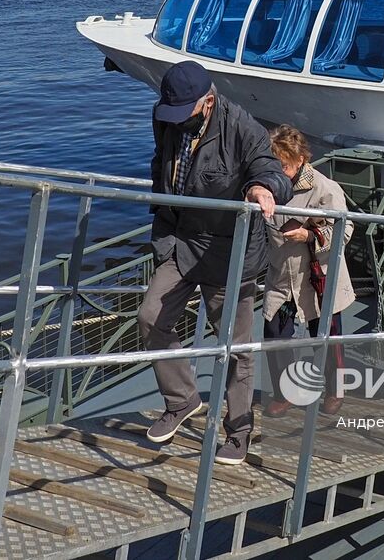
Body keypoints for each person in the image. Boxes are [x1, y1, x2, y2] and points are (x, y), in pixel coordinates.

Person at [136, 60, 292, 465]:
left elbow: (271, 170)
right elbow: (162, 165)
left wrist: (262, 188)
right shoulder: (167, 116)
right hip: (181, 241)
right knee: (151, 318)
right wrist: (162, 223)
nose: (175, 122)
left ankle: (239, 430)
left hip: (229, 250)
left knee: (235, 347)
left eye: (183, 114)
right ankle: (182, 400)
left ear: (208, 103)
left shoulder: (243, 128)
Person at [262, 125, 355, 418]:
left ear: (301, 159)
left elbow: (346, 230)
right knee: (274, 335)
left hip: (319, 275)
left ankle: (335, 388)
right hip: (281, 274)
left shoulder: (325, 189)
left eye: (285, 166)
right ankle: (285, 392)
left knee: (327, 335)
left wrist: (310, 235)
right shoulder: (267, 188)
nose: (280, 172)